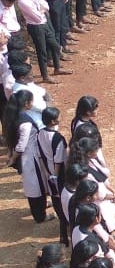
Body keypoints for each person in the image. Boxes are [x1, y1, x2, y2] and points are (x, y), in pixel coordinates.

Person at [9, 89, 54, 223]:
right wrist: (14, 157)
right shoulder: (26, 123)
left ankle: (42, 206)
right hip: (31, 157)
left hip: (29, 157)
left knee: (36, 185)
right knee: (36, 187)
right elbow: (21, 146)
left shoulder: (14, 116)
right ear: (27, 103)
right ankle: (40, 215)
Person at [18, 0, 72, 82]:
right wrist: (41, 11)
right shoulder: (23, 0)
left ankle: (57, 68)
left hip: (45, 22)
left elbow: (46, 6)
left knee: (55, 45)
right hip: (36, 26)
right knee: (41, 51)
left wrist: (42, 11)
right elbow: (37, 17)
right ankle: (45, 76)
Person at [37, 106, 69, 243]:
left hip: (48, 173)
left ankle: (63, 222)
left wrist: (48, 174)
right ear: (52, 121)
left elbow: (39, 155)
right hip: (59, 175)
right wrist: (55, 177)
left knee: (55, 199)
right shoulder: (58, 138)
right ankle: (66, 223)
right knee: (63, 198)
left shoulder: (39, 134)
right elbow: (59, 160)